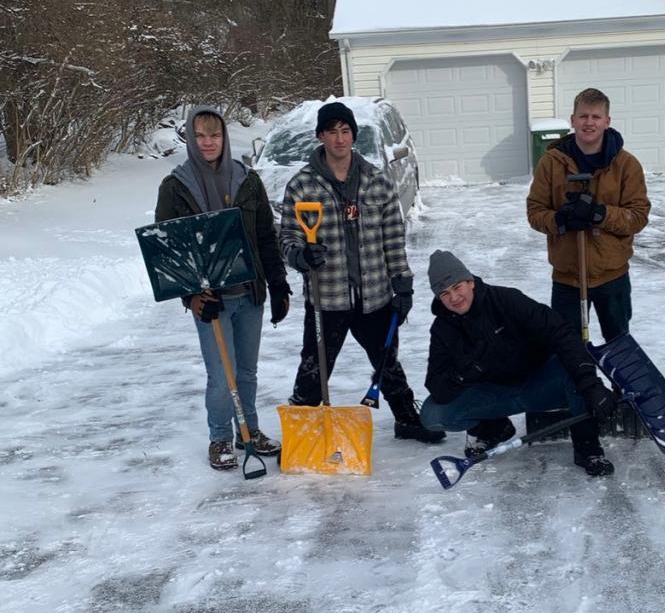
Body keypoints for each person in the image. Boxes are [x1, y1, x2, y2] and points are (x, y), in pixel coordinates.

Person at [280, 100, 442, 443]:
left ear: (353, 135)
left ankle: (406, 418)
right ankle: (301, 435)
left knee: (387, 360)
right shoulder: (303, 185)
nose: (339, 139)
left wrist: (403, 284)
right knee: (314, 366)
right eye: (332, 132)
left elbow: (393, 237)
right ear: (320, 136)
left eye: (345, 131)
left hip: (375, 293)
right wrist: (300, 256)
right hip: (327, 295)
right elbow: (288, 237)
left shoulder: (376, 181)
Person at [155, 106, 291, 471]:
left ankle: (248, 432)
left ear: (224, 138)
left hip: (249, 294)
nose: (208, 142)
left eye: (214, 135)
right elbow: (168, 249)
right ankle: (219, 437)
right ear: (190, 139)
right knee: (220, 375)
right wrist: (192, 297)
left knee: (246, 372)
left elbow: (265, 236)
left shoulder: (247, 180)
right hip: (211, 299)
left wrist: (278, 284)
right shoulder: (175, 187)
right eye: (200, 136)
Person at [418, 250, 619, 477]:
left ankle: (587, 449)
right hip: (496, 395)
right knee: (432, 415)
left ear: (470, 282)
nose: (454, 298)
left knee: (571, 370)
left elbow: (561, 334)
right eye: (444, 293)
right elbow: (435, 384)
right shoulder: (442, 329)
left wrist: (591, 385)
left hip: (540, 383)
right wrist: (465, 373)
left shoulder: (506, 300)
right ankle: (494, 428)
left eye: (457, 287)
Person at [527, 88, 650, 341]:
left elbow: (638, 216)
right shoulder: (551, 163)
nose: (589, 122)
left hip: (612, 275)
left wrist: (600, 214)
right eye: (583, 116)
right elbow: (535, 211)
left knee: (619, 345)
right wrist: (560, 220)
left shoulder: (626, 165)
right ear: (572, 120)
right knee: (568, 348)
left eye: (596, 116)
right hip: (567, 278)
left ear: (607, 121)